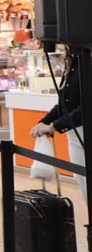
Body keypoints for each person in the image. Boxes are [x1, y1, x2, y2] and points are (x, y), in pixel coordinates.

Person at [31, 52, 84, 201]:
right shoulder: (73, 63)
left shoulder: (86, 60)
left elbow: (86, 107)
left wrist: (54, 126)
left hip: (83, 129)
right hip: (75, 133)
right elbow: (64, 103)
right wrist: (45, 122)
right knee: (84, 183)